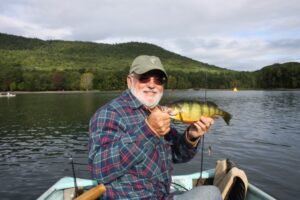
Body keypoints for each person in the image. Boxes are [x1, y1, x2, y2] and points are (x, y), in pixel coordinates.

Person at [88, 55, 221, 199]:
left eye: (158, 80)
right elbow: (99, 169)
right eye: (144, 78)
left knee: (210, 192)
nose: (152, 85)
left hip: (163, 196)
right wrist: (148, 131)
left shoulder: (160, 112)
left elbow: (178, 154)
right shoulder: (109, 114)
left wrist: (191, 136)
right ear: (129, 81)